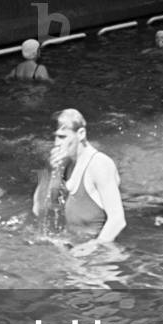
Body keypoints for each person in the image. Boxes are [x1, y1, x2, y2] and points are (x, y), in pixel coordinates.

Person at [33, 108, 125, 255]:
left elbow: (118, 220)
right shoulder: (62, 165)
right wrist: (50, 172)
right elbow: (38, 210)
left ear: (81, 134)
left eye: (63, 137)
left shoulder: (100, 165)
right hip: (68, 250)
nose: (57, 143)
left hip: (99, 256)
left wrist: (94, 246)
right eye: (55, 137)